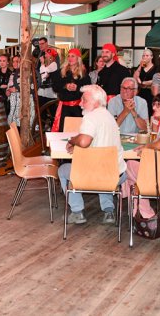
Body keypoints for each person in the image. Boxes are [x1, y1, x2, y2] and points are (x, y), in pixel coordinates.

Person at [58, 84, 126, 224]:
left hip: (95, 176)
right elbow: (97, 144)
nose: (80, 103)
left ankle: (77, 212)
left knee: (63, 170)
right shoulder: (109, 116)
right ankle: (109, 211)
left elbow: (84, 141)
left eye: (84, 100)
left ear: (96, 102)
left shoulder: (90, 117)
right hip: (116, 175)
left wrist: (72, 141)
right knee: (103, 167)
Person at [51, 48, 91, 132]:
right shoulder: (60, 72)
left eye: (73, 56)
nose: (70, 58)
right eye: (68, 56)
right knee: (63, 131)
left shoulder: (84, 74)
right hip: (64, 108)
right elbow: (55, 87)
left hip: (78, 109)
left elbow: (88, 89)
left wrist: (77, 88)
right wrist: (65, 86)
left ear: (78, 58)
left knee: (78, 131)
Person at [7, 55, 35, 127]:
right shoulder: (12, 74)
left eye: (17, 61)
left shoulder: (29, 74)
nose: (15, 63)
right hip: (14, 103)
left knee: (25, 122)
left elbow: (31, 87)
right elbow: (9, 87)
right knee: (14, 125)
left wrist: (17, 89)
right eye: (13, 62)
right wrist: (8, 91)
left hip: (24, 103)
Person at [133, 49, 155, 114]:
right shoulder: (140, 67)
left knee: (149, 111)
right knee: (140, 111)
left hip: (151, 93)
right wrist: (140, 66)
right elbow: (134, 77)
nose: (145, 57)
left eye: (147, 55)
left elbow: (157, 79)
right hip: (141, 93)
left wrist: (145, 83)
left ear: (151, 57)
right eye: (143, 55)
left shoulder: (156, 68)